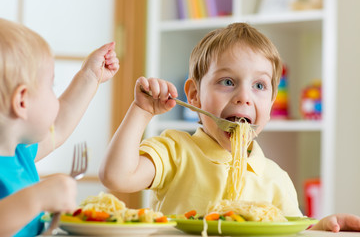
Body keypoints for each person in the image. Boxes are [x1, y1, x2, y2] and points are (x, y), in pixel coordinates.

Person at [99, 22, 360, 232]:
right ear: (194, 95)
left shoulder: (275, 178)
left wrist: (321, 227)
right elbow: (116, 176)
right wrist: (141, 111)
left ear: (270, 104)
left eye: (259, 86)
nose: (244, 96)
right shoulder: (175, 150)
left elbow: (294, 231)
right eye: (227, 81)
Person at [0, 18, 119, 237]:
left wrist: (90, 76)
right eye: (51, 86)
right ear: (22, 101)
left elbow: (60, 125)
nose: (55, 98)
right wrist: (36, 198)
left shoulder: (20, 154)